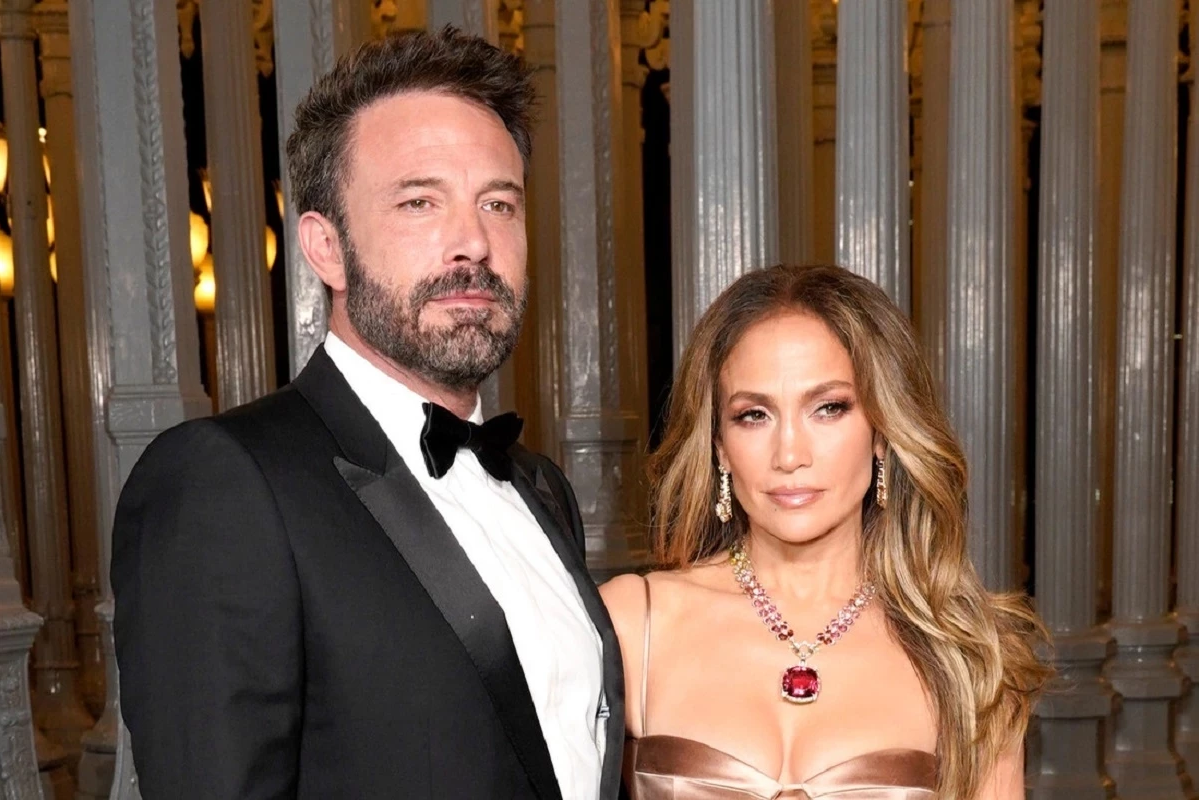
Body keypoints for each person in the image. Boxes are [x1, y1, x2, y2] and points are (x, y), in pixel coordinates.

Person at [111, 27, 623, 800]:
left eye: (499, 203)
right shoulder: (223, 482)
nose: (473, 242)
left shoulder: (540, 488)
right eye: (420, 202)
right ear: (326, 248)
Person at [601, 264, 1049, 799]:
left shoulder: (968, 656)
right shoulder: (633, 623)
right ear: (719, 445)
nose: (790, 455)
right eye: (753, 415)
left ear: (882, 432)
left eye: (828, 408)